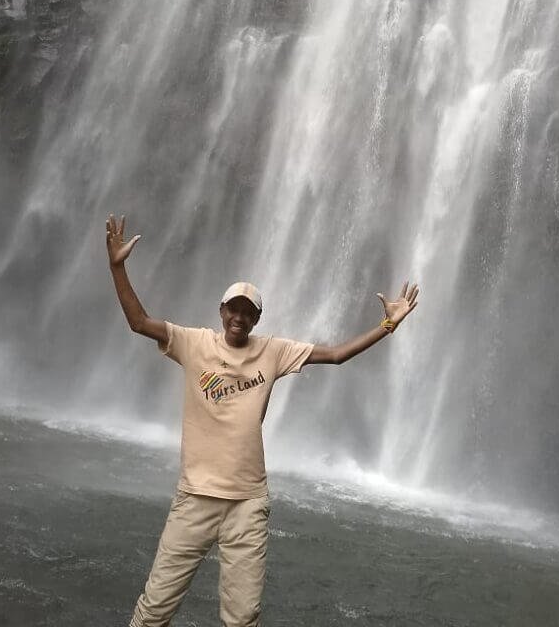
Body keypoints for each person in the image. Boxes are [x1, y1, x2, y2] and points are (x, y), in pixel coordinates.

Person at [106, 213, 419, 627]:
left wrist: (387, 325)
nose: (239, 317)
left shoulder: (273, 351)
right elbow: (139, 322)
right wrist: (117, 266)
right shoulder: (194, 342)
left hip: (248, 504)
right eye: (233, 309)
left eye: (248, 312)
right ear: (221, 310)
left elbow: (337, 354)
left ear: (257, 319)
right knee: (154, 610)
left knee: (243, 618)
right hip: (196, 496)